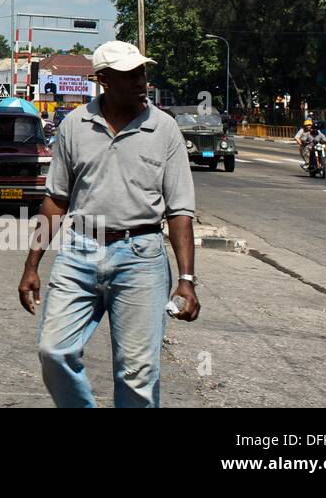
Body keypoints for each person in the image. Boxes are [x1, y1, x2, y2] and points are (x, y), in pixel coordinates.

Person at [18, 40, 199, 408]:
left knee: (137, 373)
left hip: (141, 257)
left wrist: (186, 280)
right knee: (54, 352)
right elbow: (56, 199)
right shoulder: (74, 125)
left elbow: (180, 211)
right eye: (129, 75)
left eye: (142, 73)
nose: (140, 81)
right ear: (103, 80)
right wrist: (31, 265)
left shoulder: (164, 129)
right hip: (79, 252)